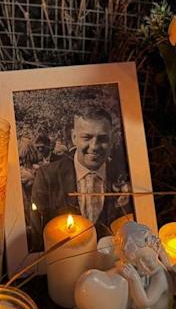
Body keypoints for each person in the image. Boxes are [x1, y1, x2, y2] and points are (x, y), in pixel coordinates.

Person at [29, 105, 133, 250]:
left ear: (112, 139)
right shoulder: (47, 176)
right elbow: (38, 236)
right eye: (87, 137)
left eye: (102, 138)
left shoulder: (127, 175)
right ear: (74, 138)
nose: (94, 146)